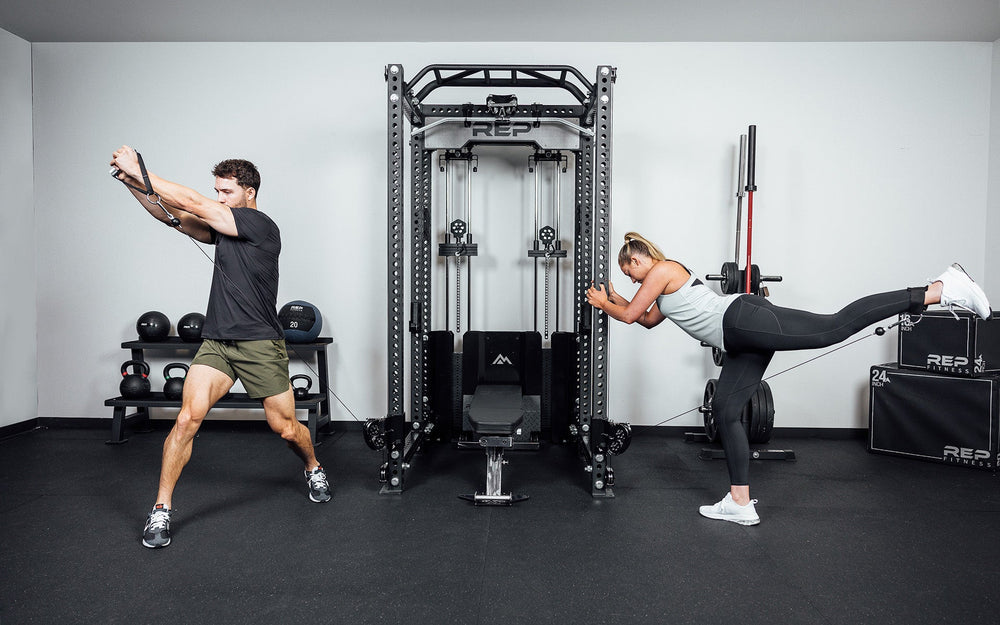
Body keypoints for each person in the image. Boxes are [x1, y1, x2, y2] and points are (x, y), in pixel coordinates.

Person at [586, 232, 992, 526]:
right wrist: (613, 301)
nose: (633, 279)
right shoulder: (657, 289)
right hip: (740, 338)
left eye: (631, 270)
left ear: (643, 257)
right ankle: (740, 502)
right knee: (726, 411)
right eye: (628, 276)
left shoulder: (663, 269)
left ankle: (938, 289)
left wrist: (607, 303)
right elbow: (646, 319)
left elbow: (627, 313)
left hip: (743, 319)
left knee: (834, 327)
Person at [110, 145, 331, 549]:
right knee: (186, 419)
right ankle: (161, 509)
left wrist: (140, 167)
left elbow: (191, 201)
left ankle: (313, 465)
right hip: (218, 344)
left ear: (249, 192)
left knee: (284, 429)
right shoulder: (224, 229)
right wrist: (133, 186)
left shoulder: (260, 225)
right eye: (217, 191)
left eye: (225, 192)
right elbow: (174, 214)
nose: (217, 198)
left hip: (261, 344)